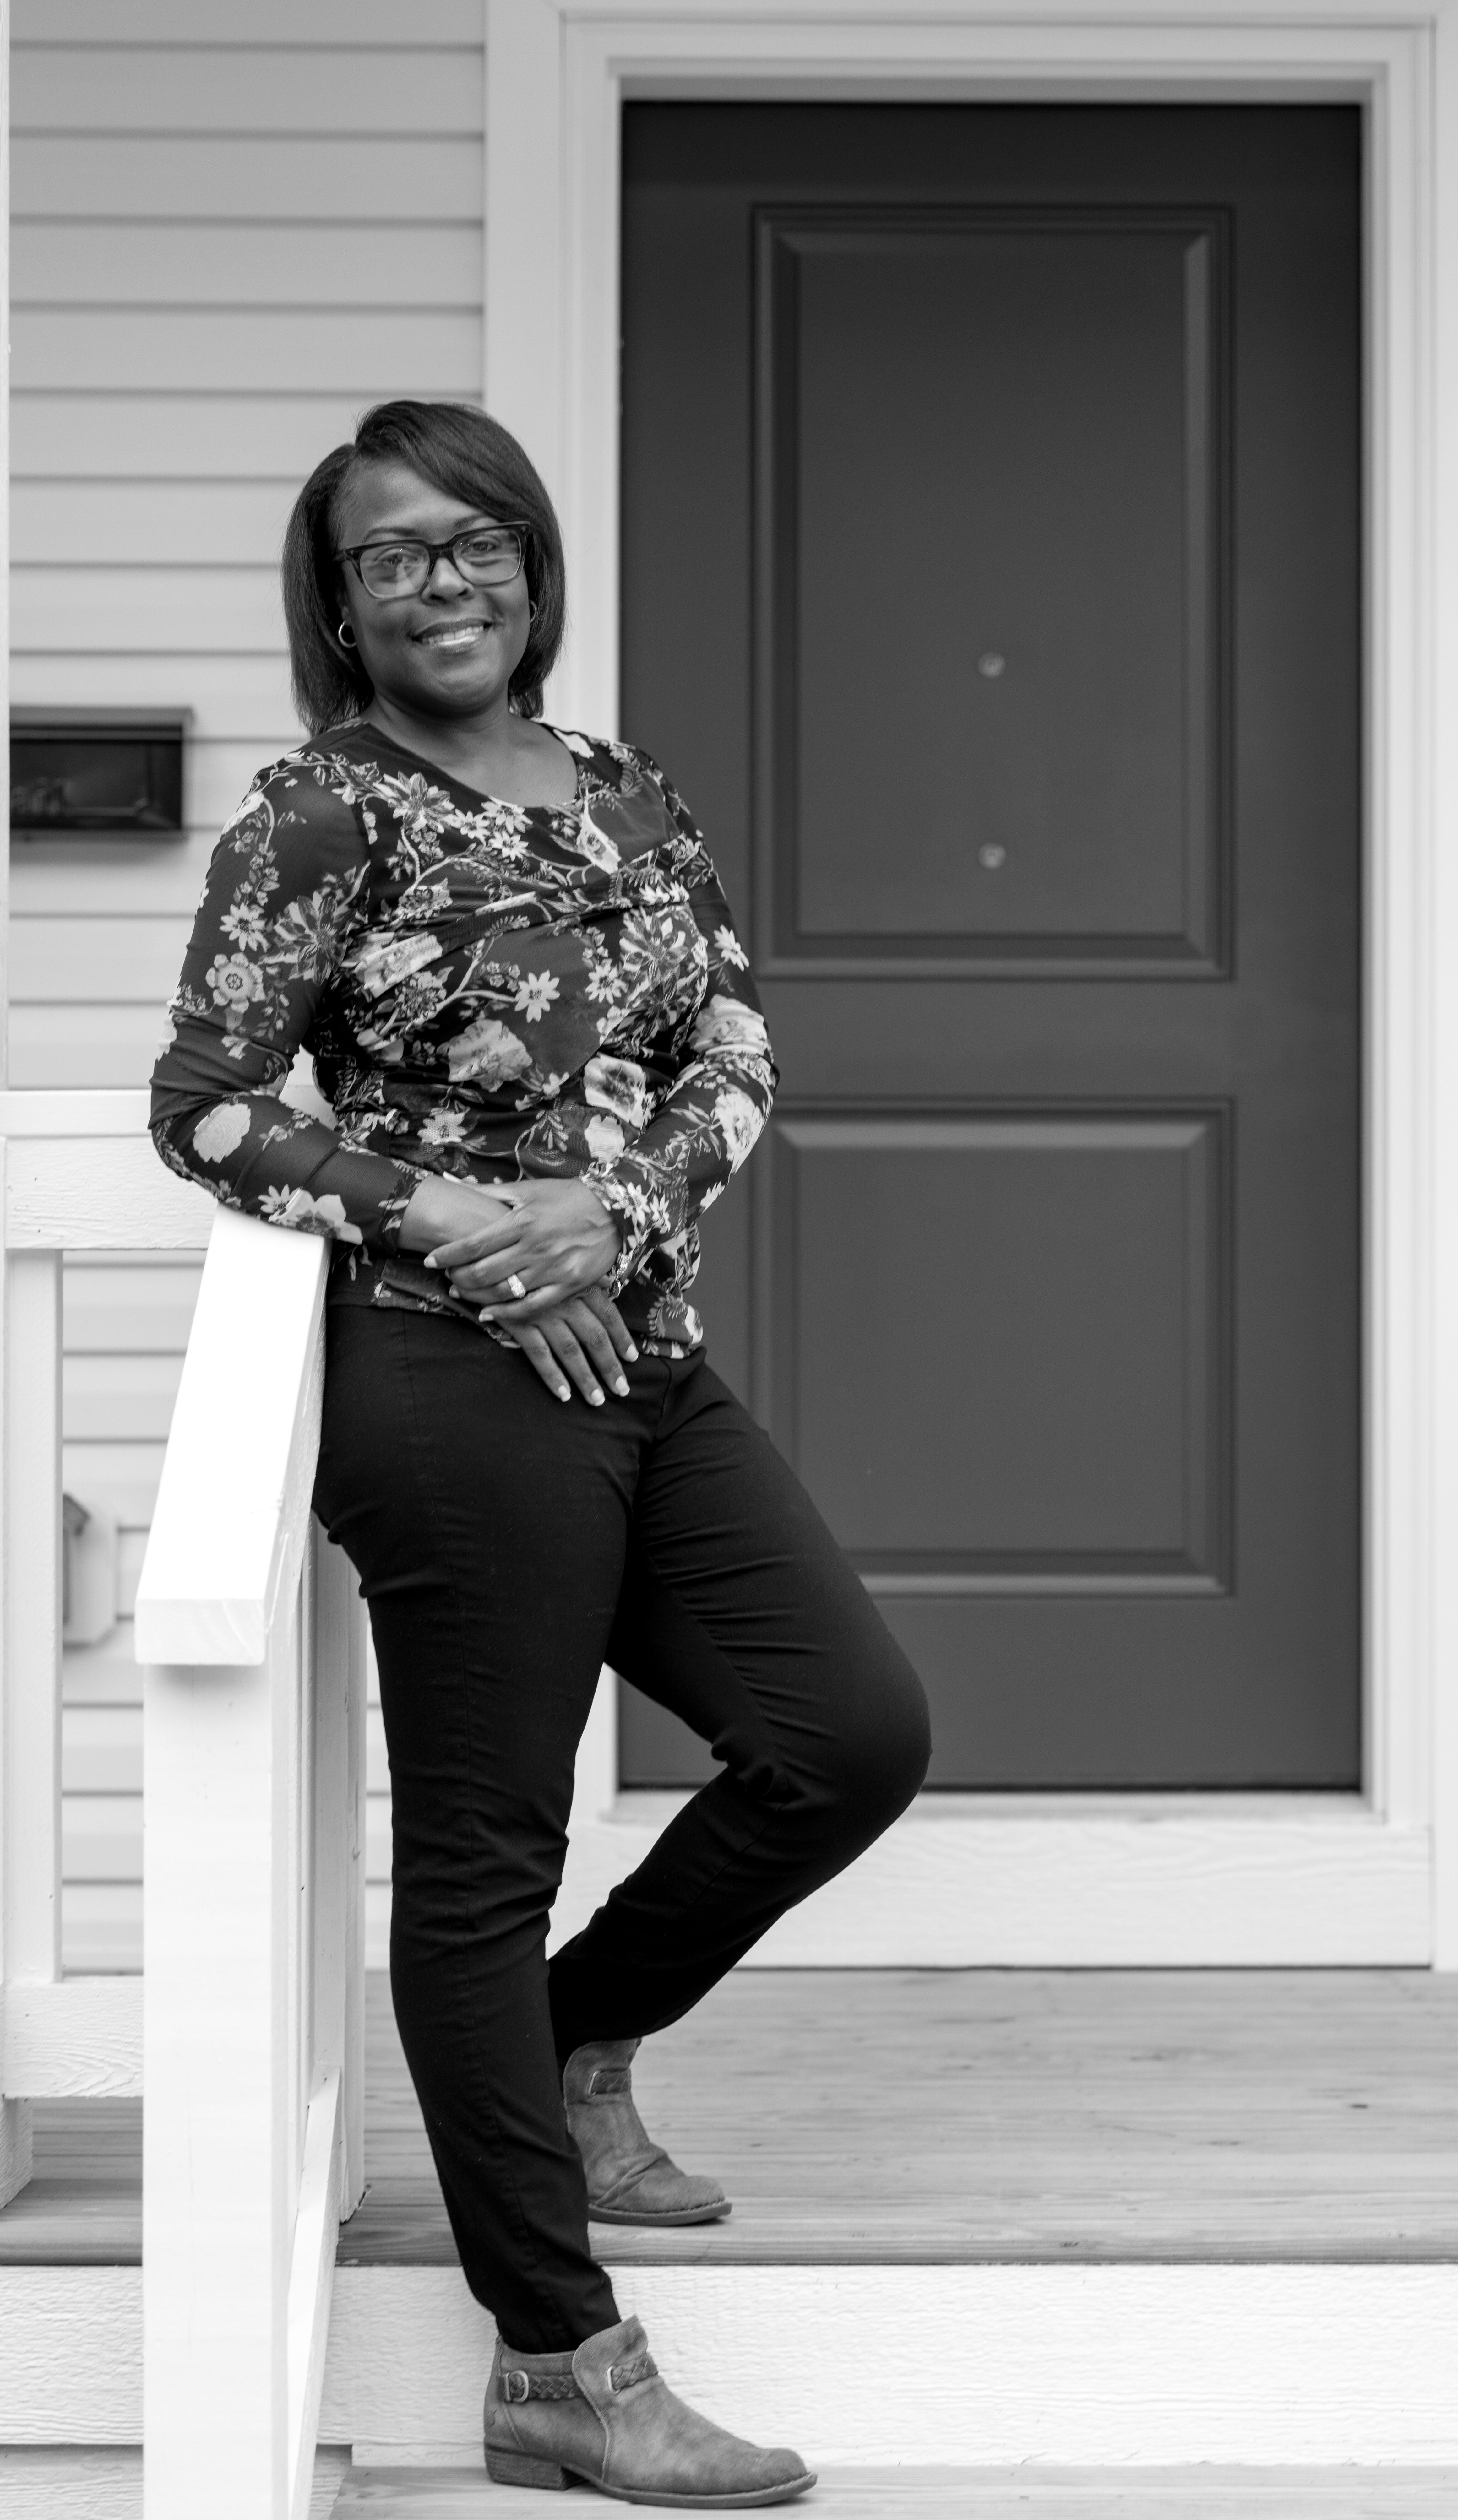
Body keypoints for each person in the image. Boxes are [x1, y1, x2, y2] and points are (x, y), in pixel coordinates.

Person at [150, 398, 931, 2506]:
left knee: (847, 1735)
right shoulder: (320, 814)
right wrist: (458, 1223)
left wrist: (618, 1212)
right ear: (339, 603)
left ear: (531, 560)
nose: (443, 581)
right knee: (483, 1854)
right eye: (391, 554)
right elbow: (207, 1101)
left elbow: (735, 1042)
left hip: (640, 1342)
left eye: (474, 539)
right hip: (445, 1376)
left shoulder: (619, 785)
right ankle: (560, 2362)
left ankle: (576, 2043)